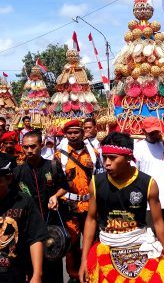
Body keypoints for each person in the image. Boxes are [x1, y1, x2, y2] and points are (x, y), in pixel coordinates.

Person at [78, 132, 164, 283]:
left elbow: (158, 222)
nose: (106, 163)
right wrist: (84, 260)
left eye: (113, 158)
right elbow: (90, 220)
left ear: (129, 158)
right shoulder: (96, 183)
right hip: (107, 246)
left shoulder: (148, 183)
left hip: (140, 246)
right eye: (105, 157)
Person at [13, 130, 69, 283]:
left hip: (51, 225)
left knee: (53, 267)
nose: (29, 151)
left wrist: (55, 196)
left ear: (42, 145)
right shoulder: (18, 172)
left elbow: (64, 186)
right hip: (29, 229)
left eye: (33, 146)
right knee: (32, 270)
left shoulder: (52, 166)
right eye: (26, 147)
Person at [54, 119, 100, 282]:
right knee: (71, 243)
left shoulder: (93, 153)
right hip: (69, 205)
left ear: (82, 133)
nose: (73, 136)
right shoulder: (59, 156)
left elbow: (100, 177)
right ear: (65, 135)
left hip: (90, 204)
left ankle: (91, 272)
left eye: (76, 132)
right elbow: (56, 181)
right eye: (69, 133)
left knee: (93, 241)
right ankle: (74, 275)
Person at [0, 155, 48, 283]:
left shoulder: (24, 202)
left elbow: (35, 238)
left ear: (8, 179)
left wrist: (37, 274)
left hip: (15, 273)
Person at [134, 117, 164, 250]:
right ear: (143, 131)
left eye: (156, 132)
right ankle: (153, 266)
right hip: (148, 201)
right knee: (150, 236)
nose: (154, 135)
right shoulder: (137, 147)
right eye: (150, 132)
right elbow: (134, 174)